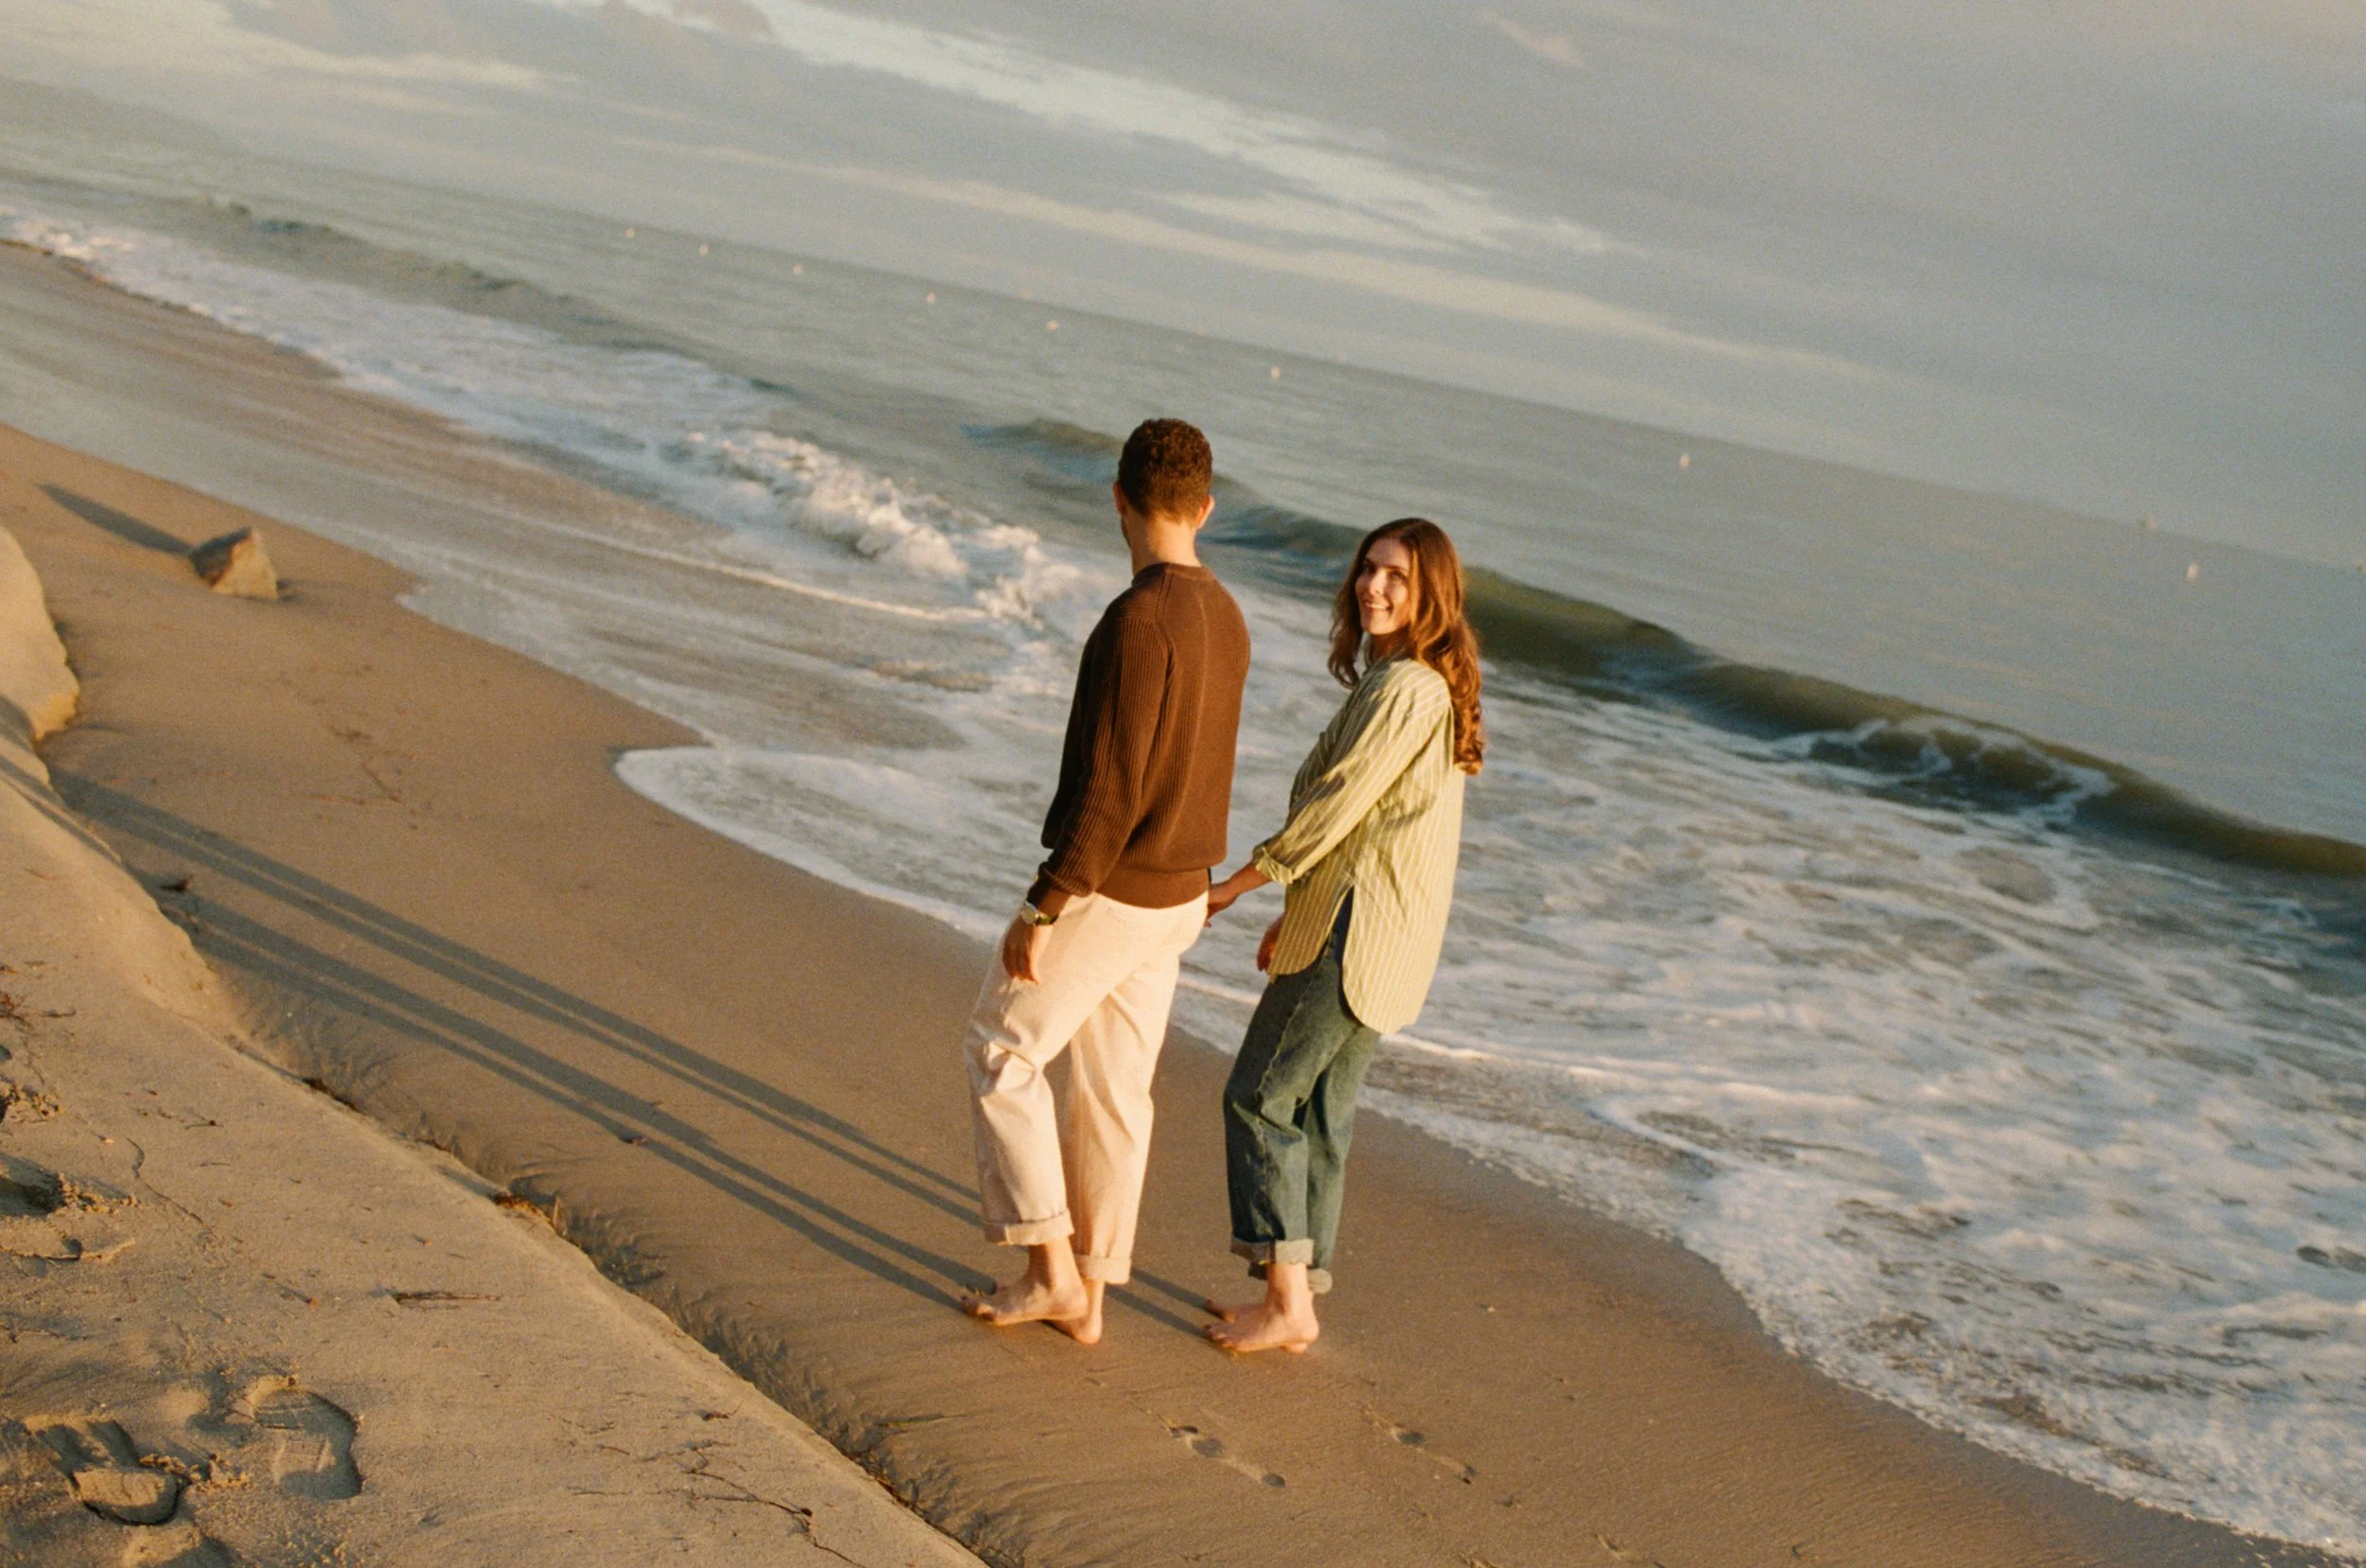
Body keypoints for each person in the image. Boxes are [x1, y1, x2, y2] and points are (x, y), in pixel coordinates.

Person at [959, 418, 1250, 1345]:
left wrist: (1044, 901)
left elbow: (1112, 786)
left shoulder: (1141, 617)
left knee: (1002, 1049)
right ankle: (1091, 1291)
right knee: (1117, 1093)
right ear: (1205, 507)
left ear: (1117, 498)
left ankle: (1050, 1272)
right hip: (1180, 895)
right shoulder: (1227, 614)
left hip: (1119, 888)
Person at [1199, 518, 1484, 1353]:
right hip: (1377, 932)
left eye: (1397, 576)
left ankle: (1287, 1300)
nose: (1374, 587)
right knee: (1322, 1111)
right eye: (1368, 569)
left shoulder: (1406, 690)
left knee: (1258, 1096)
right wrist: (1297, 909)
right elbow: (1379, 831)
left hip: (1356, 934)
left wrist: (1237, 886)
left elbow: (1335, 808)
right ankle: (1300, 1292)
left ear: (1434, 593)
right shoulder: (1415, 683)